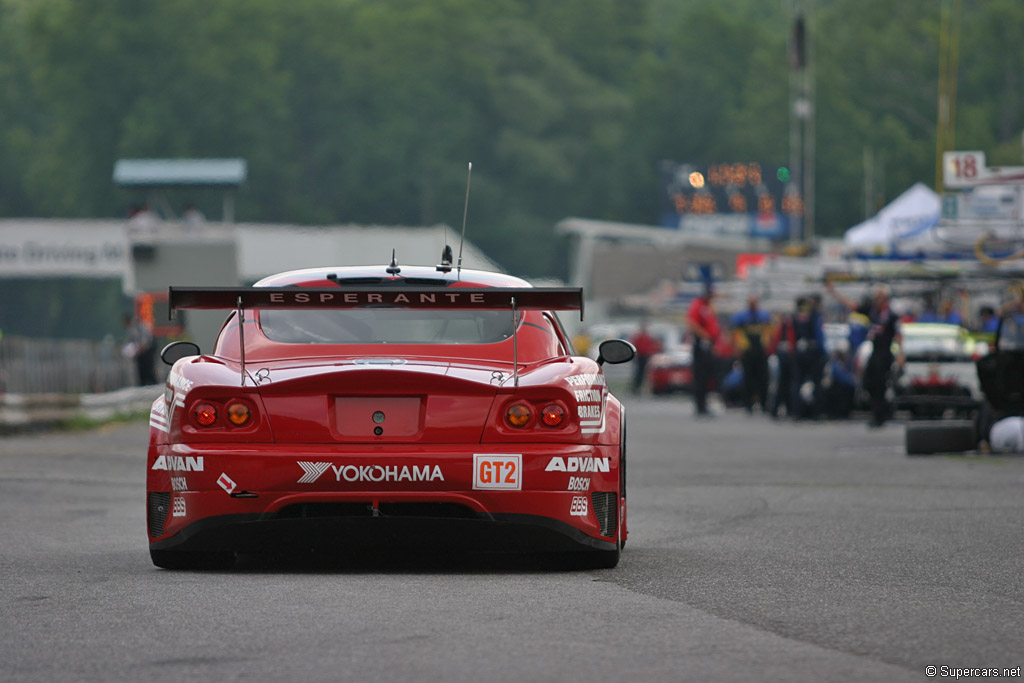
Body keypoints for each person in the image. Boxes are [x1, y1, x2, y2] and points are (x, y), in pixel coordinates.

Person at [862, 285, 901, 428]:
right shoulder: (873, 312)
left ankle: (880, 415)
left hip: (885, 354)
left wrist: (900, 353)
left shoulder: (891, 315)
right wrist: (832, 290)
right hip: (874, 352)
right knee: (868, 382)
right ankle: (880, 411)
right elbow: (852, 305)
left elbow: (898, 334)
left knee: (880, 385)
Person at [731, 294, 772, 413]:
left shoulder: (764, 315)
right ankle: (748, 404)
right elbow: (735, 333)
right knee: (748, 378)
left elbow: (770, 332)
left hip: (761, 351)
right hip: (747, 352)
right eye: (750, 302)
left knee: (763, 378)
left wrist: (769, 346)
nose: (752, 305)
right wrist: (737, 348)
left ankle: (763, 403)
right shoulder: (741, 316)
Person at [686, 284, 720, 416]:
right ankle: (700, 406)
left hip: (709, 343)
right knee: (700, 376)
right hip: (701, 344)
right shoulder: (698, 305)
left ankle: (704, 404)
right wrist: (704, 335)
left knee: (707, 376)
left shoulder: (709, 306)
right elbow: (692, 322)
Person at [790, 296, 825, 419]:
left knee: (798, 383)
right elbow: (819, 336)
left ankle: (797, 412)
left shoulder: (795, 317)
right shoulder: (815, 316)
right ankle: (815, 412)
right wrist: (823, 353)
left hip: (800, 353)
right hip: (812, 353)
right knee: (816, 383)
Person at [123, 313, 157, 385]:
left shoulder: (137, 327)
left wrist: (140, 348)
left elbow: (144, 340)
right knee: (141, 370)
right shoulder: (131, 329)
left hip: (146, 350)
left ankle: (152, 382)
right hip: (140, 352)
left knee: (148, 368)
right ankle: (143, 383)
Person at [629, 319, 661, 395]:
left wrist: (651, 353)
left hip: (646, 356)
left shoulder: (647, 337)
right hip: (639, 355)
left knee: (644, 373)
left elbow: (651, 346)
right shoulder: (638, 336)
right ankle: (636, 388)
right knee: (638, 372)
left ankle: (641, 388)